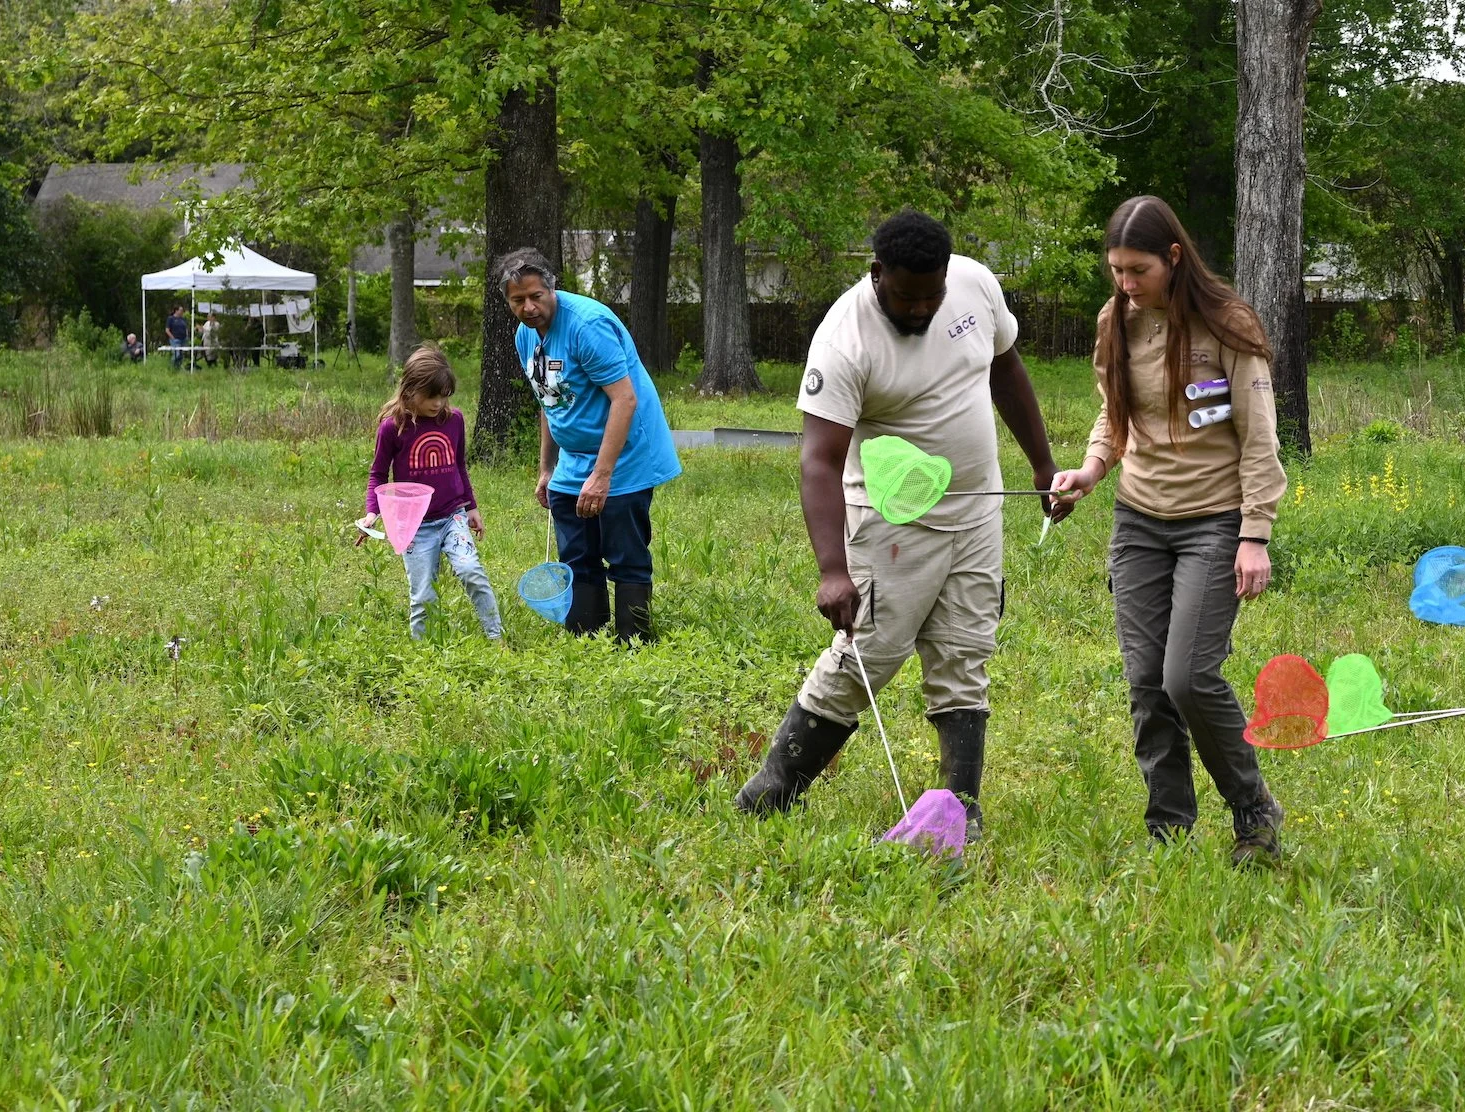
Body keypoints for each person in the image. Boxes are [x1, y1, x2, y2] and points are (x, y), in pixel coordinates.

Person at [735, 211, 1065, 840]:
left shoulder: (973, 284)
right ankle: (773, 790)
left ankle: (957, 810)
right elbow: (819, 460)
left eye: (931, 295)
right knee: (869, 656)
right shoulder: (844, 340)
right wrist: (833, 570)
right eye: (906, 296)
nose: (921, 309)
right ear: (876, 273)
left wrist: (1044, 465)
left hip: (978, 514)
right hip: (891, 524)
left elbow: (1005, 370)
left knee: (966, 654)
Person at [1047, 196, 1289, 865]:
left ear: (1174, 258)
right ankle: (1169, 830)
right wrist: (1090, 471)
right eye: (1117, 270)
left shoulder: (1227, 323)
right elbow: (1113, 414)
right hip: (1138, 522)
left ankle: (1253, 808)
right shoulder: (1115, 322)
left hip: (1213, 522)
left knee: (1188, 677)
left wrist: (1254, 533)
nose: (1126, 283)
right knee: (1147, 683)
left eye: (1139, 270)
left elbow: (1259, 439)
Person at [500, 246, 682, 643]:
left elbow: (625, 400)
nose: (529, 307)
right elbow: (548, 399)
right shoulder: (524, 336)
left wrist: (602, 476)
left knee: (624, 552)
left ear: (552, 288)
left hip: (626, 453)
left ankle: (634, 642)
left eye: (536, 296)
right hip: (574, 457)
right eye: (518, 300)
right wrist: (546, 468)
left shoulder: (587, 326)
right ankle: (589, 640)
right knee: (577, 551)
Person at [355, 344, 503, 641]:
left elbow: (459, 465)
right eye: (431, 395)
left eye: (445, 394)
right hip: (414, 526)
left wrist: (471, 507)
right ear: (410, 390)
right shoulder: (392, 427)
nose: (438, 403)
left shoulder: (455, 420)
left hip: (452, 516)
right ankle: (423, 656)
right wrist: (373, 512)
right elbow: (378, 474)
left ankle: (496, 638)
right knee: (423, 595)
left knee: (471, 570)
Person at [165, 305, 191, 370]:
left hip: (183, 339)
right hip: (175, 339)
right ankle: (172, 367)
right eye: (181, 310)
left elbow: (186, 328)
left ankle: (178, 367)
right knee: (177, 354)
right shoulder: (171, 319)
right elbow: (167, 330)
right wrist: (172, 338)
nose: (182, 312)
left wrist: (187, 336)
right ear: (176, 311)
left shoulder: (183, 319)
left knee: (181, 355)